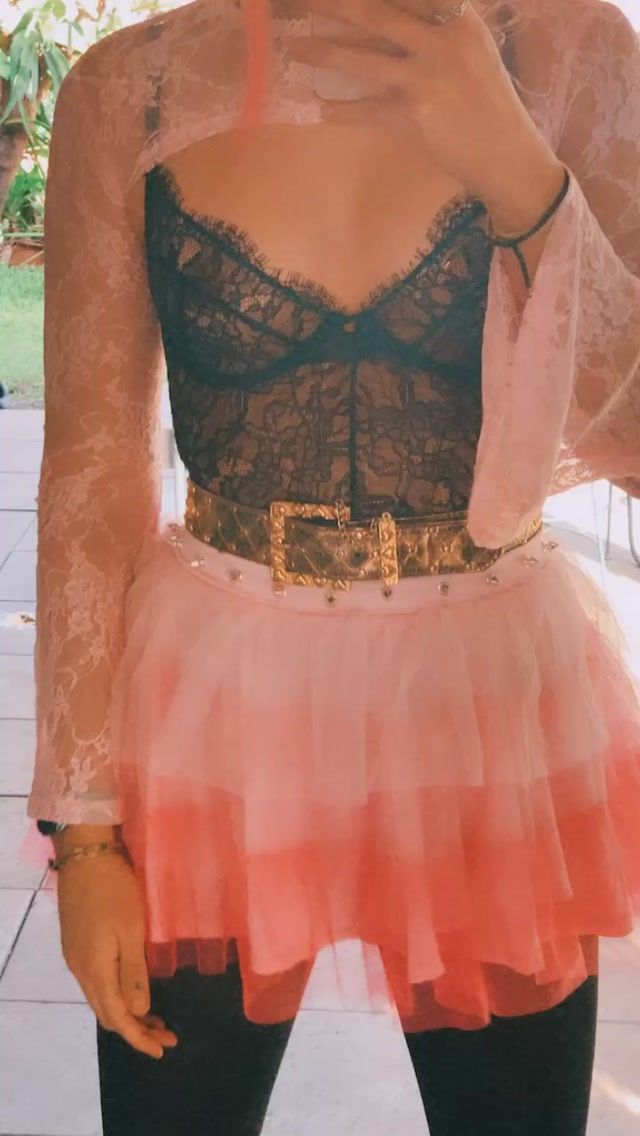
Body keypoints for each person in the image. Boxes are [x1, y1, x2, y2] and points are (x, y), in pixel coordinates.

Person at [28, 0, 640, 1132]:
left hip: (487, 702)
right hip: (215, 703)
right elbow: (92, 472)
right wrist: (86, 830)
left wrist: (523, 179)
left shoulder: (573, 51)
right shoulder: (134, 87)